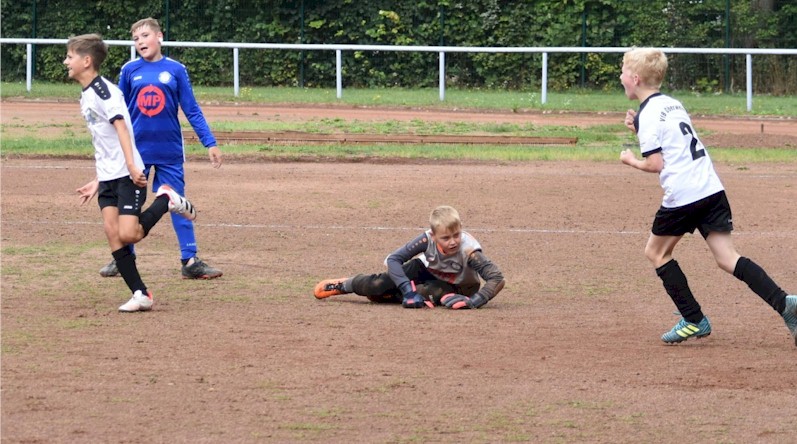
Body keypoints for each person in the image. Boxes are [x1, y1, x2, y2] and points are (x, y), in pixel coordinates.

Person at [618, 47, 796, 346]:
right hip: (710, 188)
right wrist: (638, 125)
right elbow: (672, 139)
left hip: (684, 196)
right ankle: (786, 304)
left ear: (635, 79)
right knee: (728, 258)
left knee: (656, 253)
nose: (620, 77)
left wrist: (630, 160)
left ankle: (693, 319)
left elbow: (655, 163)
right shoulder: (672, 104)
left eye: (623, 72)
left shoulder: (649, 115)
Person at [66, 34, 197, 312]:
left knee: (130, 234)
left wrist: (132, 166)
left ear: (86, 61)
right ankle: (141, 294)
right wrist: (98, 180)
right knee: (112, 234)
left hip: (127, 174)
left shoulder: (105, 92)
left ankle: (167, 199)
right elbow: (104, 144)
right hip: (109, 176)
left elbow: (122, 129)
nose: (66, 61)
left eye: (70, 56)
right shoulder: (87, 94)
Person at [99, 16, 223, 280]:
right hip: (137, 152)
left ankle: (190, 261)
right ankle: (124, 258)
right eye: (135, 39)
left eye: (144, 36)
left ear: (159, 37)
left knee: (177, 203)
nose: (140, 42)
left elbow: (191, 109)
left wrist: (209, 142)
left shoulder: (176, 70)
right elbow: (117, 112)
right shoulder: (129, 70)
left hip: (169, 151)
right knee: (129, 206)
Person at [313, 205, 505, 309]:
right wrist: (407, 290)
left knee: (428, 295)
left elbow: (497, 278)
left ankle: (391, 295)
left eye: (456, 235)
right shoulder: (425, 239)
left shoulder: (469, 250)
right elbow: (394, 260)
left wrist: (475, 300)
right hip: (426, 270)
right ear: (433, 235)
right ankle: (345, 285)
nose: (453, 241)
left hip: (459, 285)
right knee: (378, 285)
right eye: (446, 238)